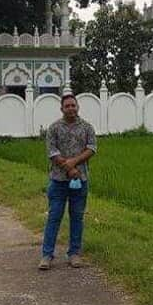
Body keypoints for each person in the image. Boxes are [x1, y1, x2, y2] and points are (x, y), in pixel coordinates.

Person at [39, 93, 97, 270]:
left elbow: (92, 148)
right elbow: (52, 152)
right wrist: (69, 167)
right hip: (58, 181)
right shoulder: (54, 128)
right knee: (54, 217)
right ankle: (47, 255)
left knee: (77, 218)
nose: (71, 109)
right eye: (67, 106)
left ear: (77, 107)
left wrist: (74, 162)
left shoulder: (87, 127)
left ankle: (74, 253)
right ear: (62, 109)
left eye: (73, 105)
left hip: (80, 180)